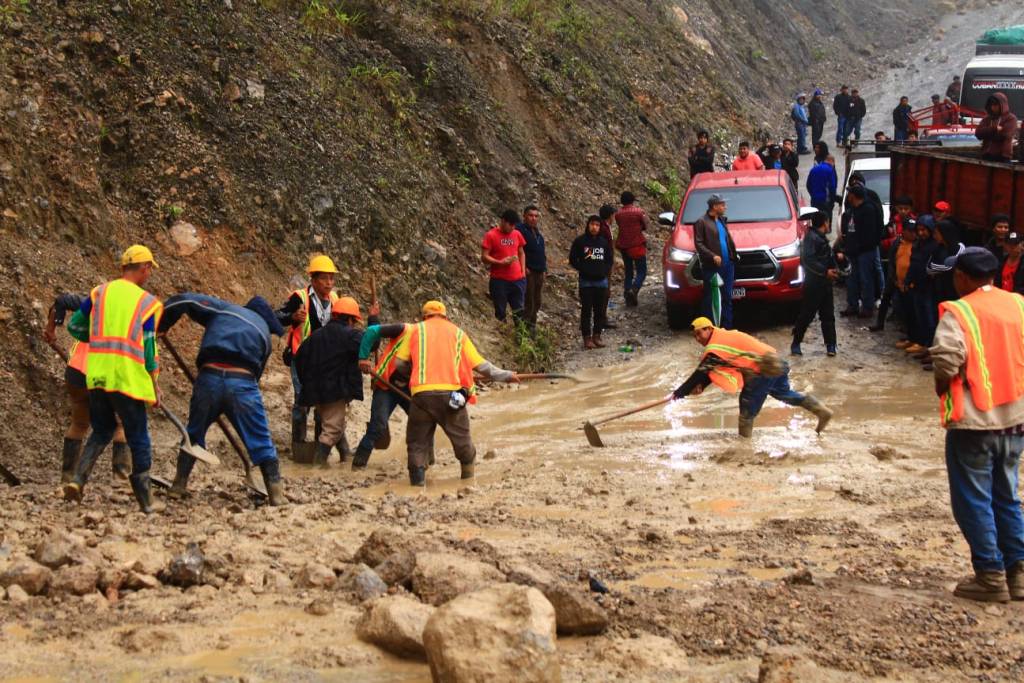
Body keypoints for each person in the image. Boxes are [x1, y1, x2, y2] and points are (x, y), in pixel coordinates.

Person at [930, 245, 1024, 602]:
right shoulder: (1018, 304)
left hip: (974, 422)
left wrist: (942, 385)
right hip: (1015, 422)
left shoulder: (960, 312)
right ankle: (1018, 574)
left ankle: (990, 576)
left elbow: (946, 361)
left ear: (963, 277)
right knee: (1007, 497)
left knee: (973, 500)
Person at [157, 293, 288, 505]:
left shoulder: (223, 309)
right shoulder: (264, 334)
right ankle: (277, 494)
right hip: (242, 384)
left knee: (194, 433)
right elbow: (257, 375)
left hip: (209, 379)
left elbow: (184, 301)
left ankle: (178, 485)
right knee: (260, 438)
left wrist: (162, 324)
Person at [63, 245, 163, 513]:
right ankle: (146, 499)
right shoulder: (147, 303)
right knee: (138, 433)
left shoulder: (99, 292)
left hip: (96, 374)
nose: (149, 274)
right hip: (127, 377)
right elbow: (150, 350)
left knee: (103, 429)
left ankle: (77, 479)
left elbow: (74, 326)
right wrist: (154, 383)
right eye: (149, 269)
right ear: (143, 269)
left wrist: (95, 340)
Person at [392, 301, 519, 486]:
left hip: (421, 395)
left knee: (417, 442)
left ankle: (417, 484)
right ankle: (468, 481)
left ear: (424, 316)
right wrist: (507, 376)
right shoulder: (458, 333)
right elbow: (482, 366)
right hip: (451, 396)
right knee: (462, 438)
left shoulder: (414, 331)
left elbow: (399, 364)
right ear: (445, 316)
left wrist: (414, 373)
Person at [672, 317, 833, 437]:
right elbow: (709, 369)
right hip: (775, 362)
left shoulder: (715, 346)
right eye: (695, 336)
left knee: (746, 408)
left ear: (709, 328)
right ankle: (821, 410)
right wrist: (701, 386)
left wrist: (679, 393)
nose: (698, 338)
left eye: (699, 333)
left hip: (761, 370)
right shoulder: (723, 337)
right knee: (785, 395)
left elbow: (700, 372)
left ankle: (744, 445)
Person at [45, 293, 130, 483]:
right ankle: (121, 477)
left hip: (76, 371)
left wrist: (51, 329)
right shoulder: (130, 313)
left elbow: (61, 301)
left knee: (79, 423)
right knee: (122, 423)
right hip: (105, 374)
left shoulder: (93, 302)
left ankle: (68, 477)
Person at [294, 296, 376, 468]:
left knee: (332, 420)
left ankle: (345, 453)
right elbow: (372, 343)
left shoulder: (315, 336)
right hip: (334, 390)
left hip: (314, 391)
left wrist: (307, 385)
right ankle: (318, 464)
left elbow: (299, 359)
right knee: (333, 428)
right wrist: (374, 318)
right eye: (355, 321)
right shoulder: (349, 335)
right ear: (351, 319)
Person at [277, 254, 340, 452]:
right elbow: (278, 316)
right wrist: (293, 317)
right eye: (324, 278)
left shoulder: (335, 299)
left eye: (331, 278)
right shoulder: (299, 298)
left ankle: (321, 444)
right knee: (301, 400)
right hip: (302, 357)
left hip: (325, 359)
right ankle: (299, 444)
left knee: (322, 400)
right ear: (313, 279)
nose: (329, 283)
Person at [791, 212, 838, 357]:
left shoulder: (821, 238)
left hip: (825, 284)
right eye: (828, 222)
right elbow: (808, 261)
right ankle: (796, 343)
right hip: (814, 284)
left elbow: (827, 257)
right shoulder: (811, 238)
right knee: (807, 315)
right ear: (825, 223)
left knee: (828, 315)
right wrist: (825, 272)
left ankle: (831, 345)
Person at [569, 215, 614, 350]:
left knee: (600, 310)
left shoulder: (603, 243)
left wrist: (604, 271)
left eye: (597, 225)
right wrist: (583, 269)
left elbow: (609, 260)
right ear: (588, 225)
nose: (594, 227)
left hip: (601, 281)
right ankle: (587, 338)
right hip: (586, 282)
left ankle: (597, 335)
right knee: (586, 310)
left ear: (600, 227)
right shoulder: (580, 241)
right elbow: (572, 259)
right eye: (592, 224)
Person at [693, 194, 738, 328]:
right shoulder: (702, 222)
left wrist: (733, 256)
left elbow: (726, 241)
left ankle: (727, 328)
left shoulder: (722, 220)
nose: (725, 207)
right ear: (714, 206)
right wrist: (712, 256)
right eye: (722, 205)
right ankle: (709, 328)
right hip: (712, 266)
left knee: (727, 297)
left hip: (728, 265)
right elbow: (699, 244)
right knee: (711, 298)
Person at [839, 185, 883, 318]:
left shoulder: (869, 209)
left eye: (849, 194)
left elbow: (872, 233)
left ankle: (867, 307)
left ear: (854, 195)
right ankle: (852, 305)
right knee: (851, 279)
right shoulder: (852, 209)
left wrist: (862, 247)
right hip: (852, 252)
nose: (848, 196)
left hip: (865, 252)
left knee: (866, 279)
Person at [903, 216, 945, 355]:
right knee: (917, 315)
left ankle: (928, 346)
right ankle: (919, 341)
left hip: (929, 287)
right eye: (919, 230)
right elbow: (913, 264)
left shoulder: (935, 247)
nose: (921, 233)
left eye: (924, 230)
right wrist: (908, 280)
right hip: (918, 286)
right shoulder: (918, 245)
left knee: (929, 317)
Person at [872, 216, 917, 335]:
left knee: (907, 305)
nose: (913, 234)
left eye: (914, 231)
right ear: (904, 231)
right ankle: (879, 323)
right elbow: (892, 261)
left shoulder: (917, 245)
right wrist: (894, 279)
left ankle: (907, 328)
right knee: (886, 298)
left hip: (909, 281)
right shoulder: (897, 243)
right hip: (895, 278)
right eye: (910, 231)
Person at [482, 209, 528, 324]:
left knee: (520, 312)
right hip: (499, 281)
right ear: (503, 221)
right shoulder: (491, 235)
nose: (512, 227)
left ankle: (521, 338)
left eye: (514, 225)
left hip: (517, 280)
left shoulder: (517, 234)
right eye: (510, 224)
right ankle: (502, 335)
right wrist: (500, 262)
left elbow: (521, 252)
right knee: (500, 312)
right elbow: (484, 257)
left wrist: (522, 271)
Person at [614, 191, 650, 307]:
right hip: (637, 245)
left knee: (628, 272)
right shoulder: (639, 212)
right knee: (642, 271)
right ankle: (634, 290)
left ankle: (627, 295)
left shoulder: (618, 214)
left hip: (624, 245)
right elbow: (645, 225)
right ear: (633, 200)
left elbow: (620, 225)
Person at [517, 205, 546, 330]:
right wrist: (524, 267)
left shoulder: (537, 233)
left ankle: (532, 326)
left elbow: (541, 252)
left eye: (536, 216)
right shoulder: (520, 231)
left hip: (539, 271)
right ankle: (524, 329)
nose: (533, 218)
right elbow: (517, 250)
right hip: (528, 271)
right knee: (528, 301)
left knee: (537, 301)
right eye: (530, 215)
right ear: (524, 216)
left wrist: (544, 268)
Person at [975, 93, 1019, 163]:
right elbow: (978, 133)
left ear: (1002, 105)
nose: (993, 107)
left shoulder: (1011, 118)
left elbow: (1005, 135)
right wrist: (994, 129)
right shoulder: (987, 119)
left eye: (995, 105)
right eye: (991, 105)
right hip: (986, 156)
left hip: (1003, 157)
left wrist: (987, 134)